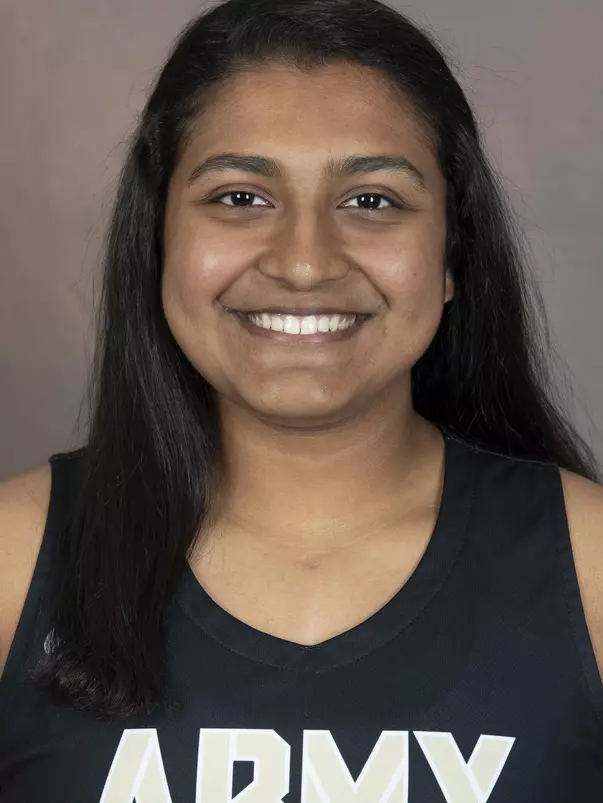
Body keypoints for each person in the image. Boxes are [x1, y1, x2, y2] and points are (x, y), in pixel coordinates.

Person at [1, 0, 602, 799]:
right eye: (241, 197)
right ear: (158, 241)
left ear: (451, 257)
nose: (305, 262)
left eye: (371, 200)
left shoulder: (588, 567)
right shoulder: (13, 558)